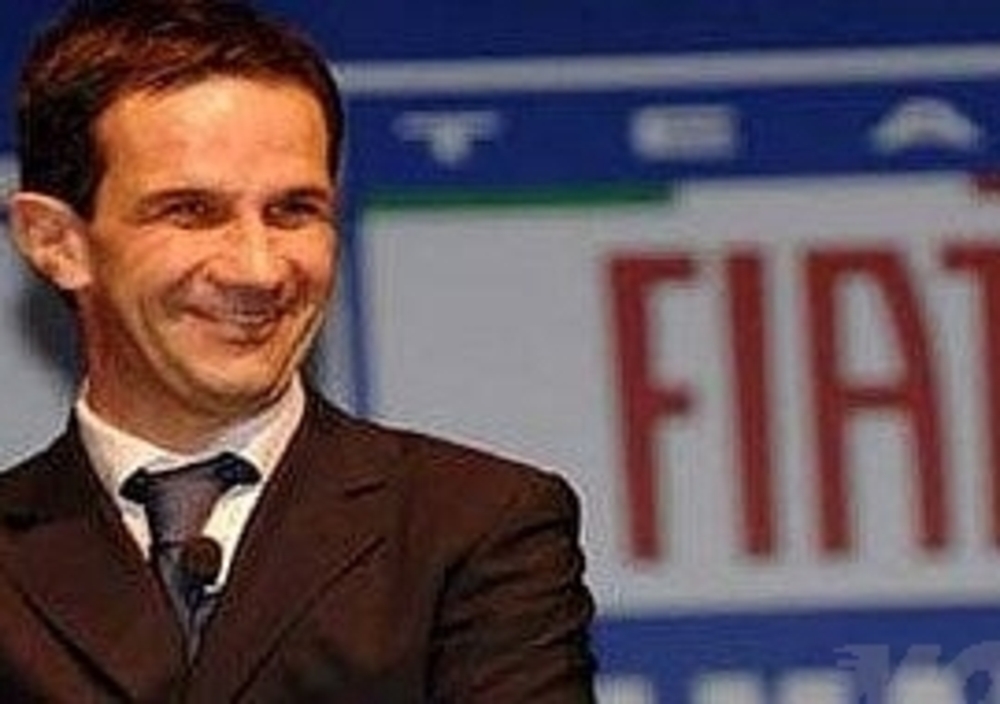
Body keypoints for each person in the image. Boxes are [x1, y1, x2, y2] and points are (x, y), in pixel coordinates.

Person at [0, 0, 596, 701]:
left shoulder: (474, 528)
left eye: (293, 211)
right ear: (56, 242)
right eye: (191, 211)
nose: (258, 269)